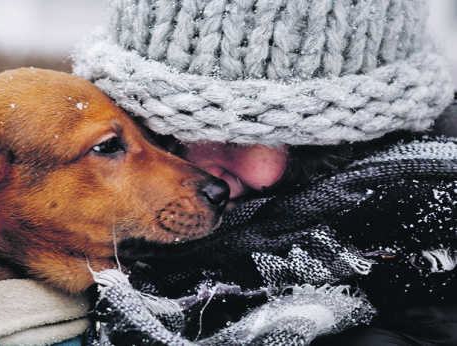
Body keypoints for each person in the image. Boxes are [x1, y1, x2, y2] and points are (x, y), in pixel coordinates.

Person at [72, 0, 457, 345]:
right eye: (155, 129)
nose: (196, 168)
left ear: (331, 145)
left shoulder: (415, 293)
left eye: (234, 136)